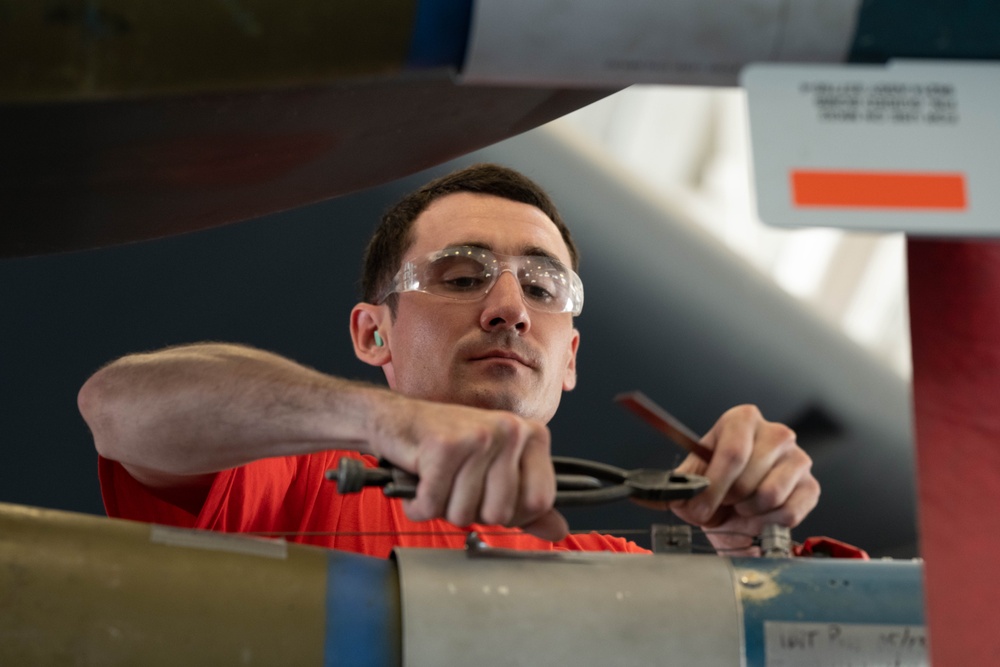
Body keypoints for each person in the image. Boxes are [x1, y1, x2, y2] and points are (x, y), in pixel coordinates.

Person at [78, 163, 819, 557]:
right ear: (374, 335)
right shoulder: (302, 489)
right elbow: (118, 405)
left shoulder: (624, 567)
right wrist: (384, 421)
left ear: (569, 360)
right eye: (461, 277)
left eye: (542, 286)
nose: (509, 307)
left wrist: (751, 547)